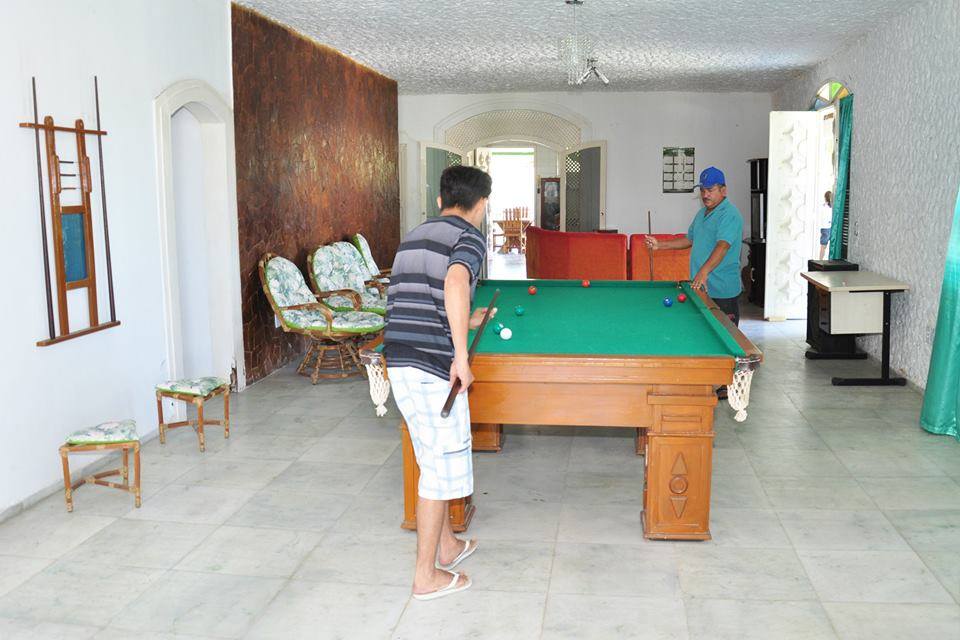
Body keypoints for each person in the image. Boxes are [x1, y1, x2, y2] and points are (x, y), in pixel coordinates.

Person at [383, 165, 495, 601]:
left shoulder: (414, 235)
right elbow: (455, 280)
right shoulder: (469, 236)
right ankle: (425, 576)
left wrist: (465, 321)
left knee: (432, 455)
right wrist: (461, 357)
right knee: (437, 470)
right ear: (481, 204)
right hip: (431, 367)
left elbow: (417, 296)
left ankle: (447, 546)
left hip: (400, 361)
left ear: (439, 200)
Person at [645, 166, 744, 325]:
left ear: (723, 190)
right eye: (702, 190)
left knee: (726, 335)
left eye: (710, 190)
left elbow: (723, 246)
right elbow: (689, 239)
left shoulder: (730, 214)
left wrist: (703, 273)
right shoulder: (701, 213)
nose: (705, 195)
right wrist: (659, 245)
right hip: (701, 288)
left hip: (722, 291)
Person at [819, 190, 834, 259]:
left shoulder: (827, 206)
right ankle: (820, 260)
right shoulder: (827, 206)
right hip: (826, 227)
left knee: (824, 246)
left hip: (826, 227)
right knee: (823, 246)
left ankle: (821, 260)